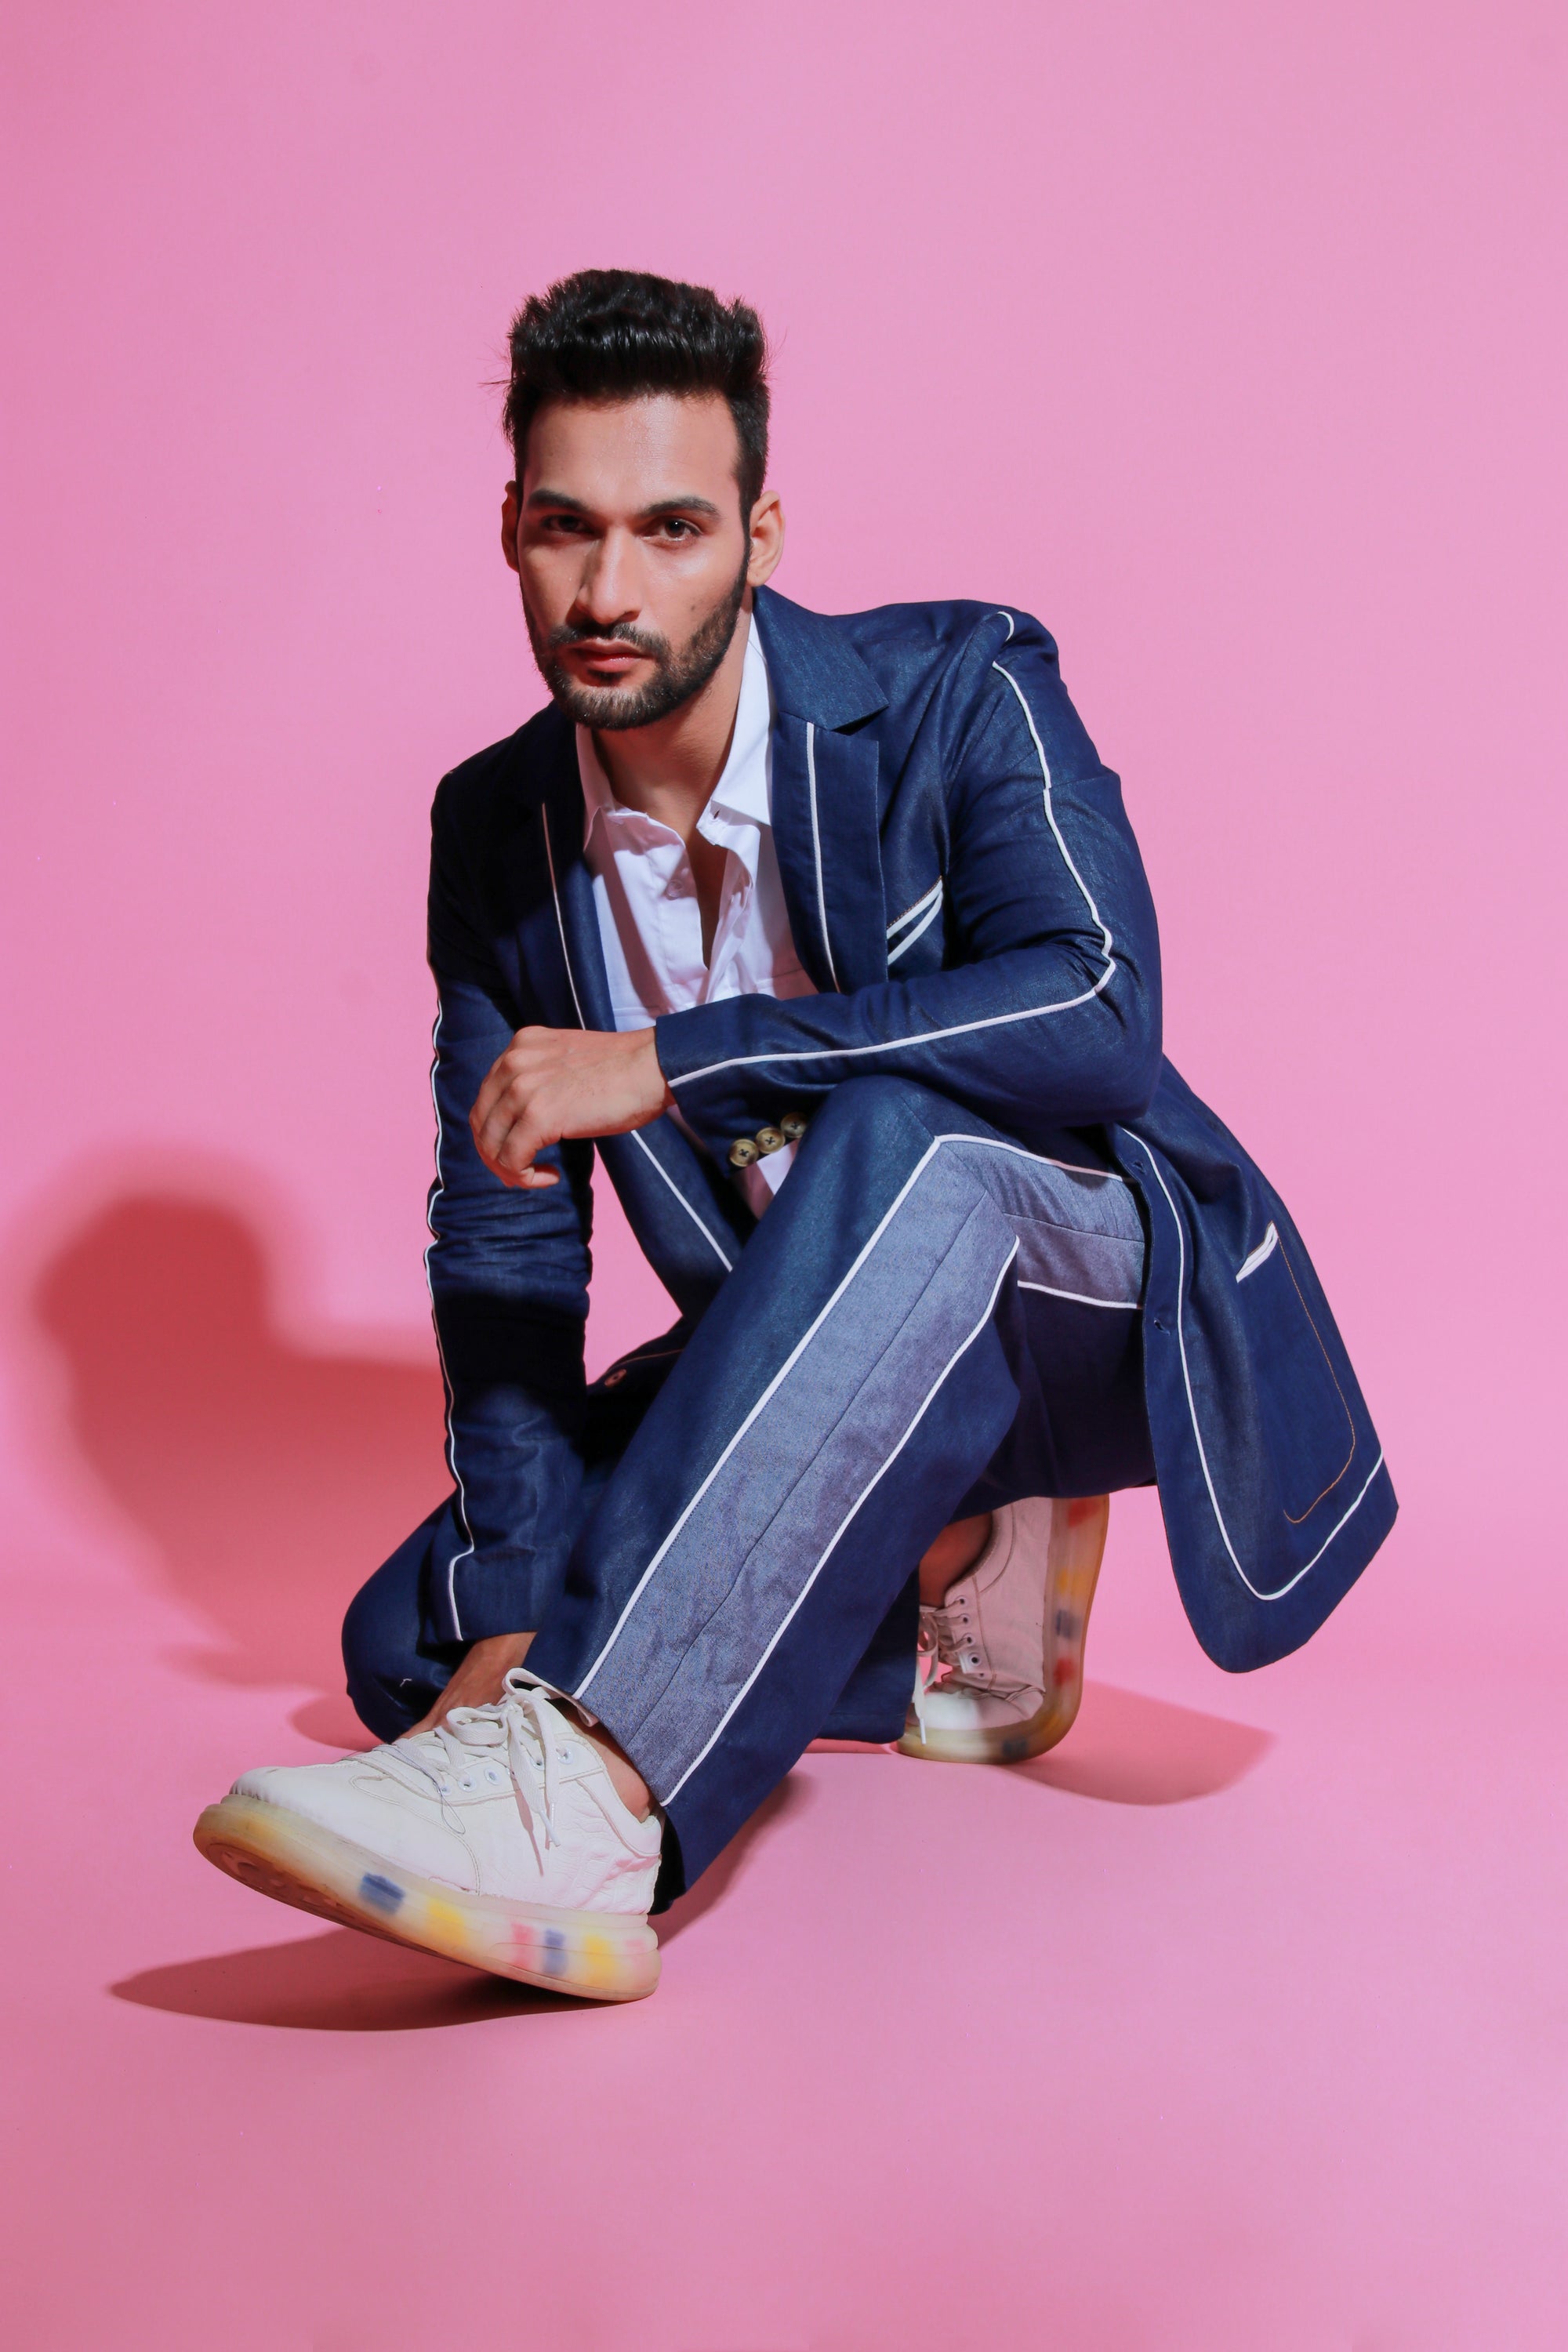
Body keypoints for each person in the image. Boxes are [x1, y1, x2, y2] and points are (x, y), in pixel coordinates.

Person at [194, 270, 1395, 2002]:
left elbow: (1096, 1016)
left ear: (758, 533)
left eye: (670, 529)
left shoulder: (959, 682)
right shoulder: (496, 822)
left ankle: (595, 1801)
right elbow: (508, 1238)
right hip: (830, 1339)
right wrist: (527, 1596)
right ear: (510, 533)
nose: (611, 591)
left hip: (1101, 1297)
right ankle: (948, 1580)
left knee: (905, 1132)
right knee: (413, 1638)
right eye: (566, 531)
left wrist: (672, 1060)